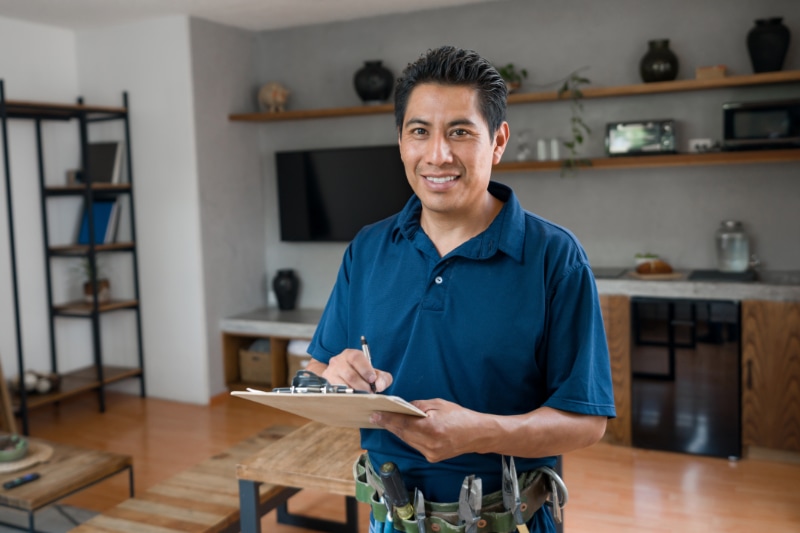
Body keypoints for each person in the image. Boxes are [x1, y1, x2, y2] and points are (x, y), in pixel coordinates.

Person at [306, 45, 616, 533]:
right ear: (401, 142)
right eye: (419, 132)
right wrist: (336, 378)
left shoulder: (554, 257)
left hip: (508, 519)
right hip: (389, 518)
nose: (437, 155)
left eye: (460, 132)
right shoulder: (368, 248)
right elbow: (319, 366)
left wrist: (481, 433)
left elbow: (586, 421)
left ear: (498, 141)